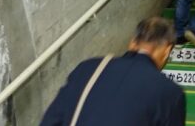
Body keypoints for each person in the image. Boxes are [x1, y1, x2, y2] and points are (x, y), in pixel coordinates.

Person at [41, 17, 185, 126]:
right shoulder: (170, 92)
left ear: (133, 42)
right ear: (167, 50)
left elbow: (51, 120)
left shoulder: (87, 68)